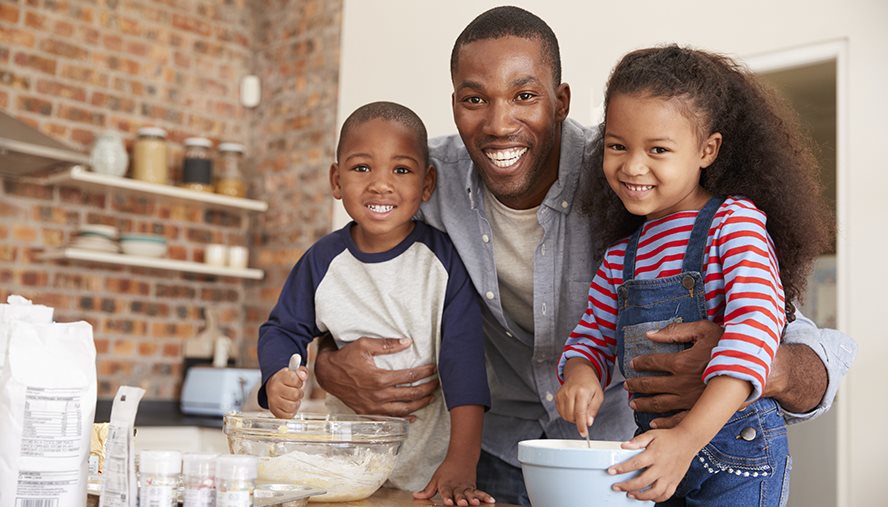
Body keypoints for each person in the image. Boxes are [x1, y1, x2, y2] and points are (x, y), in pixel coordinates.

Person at [313, 7, 858, 505]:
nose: (499, 123)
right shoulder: (422, 178)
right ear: (454, 101)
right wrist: (324, 363)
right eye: (475, 98)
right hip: (502, 449)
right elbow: (344, 274)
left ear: (562, 100)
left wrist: (756, 370)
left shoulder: (635, 185)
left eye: (525, 95)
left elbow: (788, 333)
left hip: (631, 453)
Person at [556, 45, 833, 505]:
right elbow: (592, 337)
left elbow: (754, 333)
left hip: (736, 456)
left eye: (658, 149)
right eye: (617, 146)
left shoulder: (734, 223)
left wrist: (687, 439)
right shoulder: (620, 257)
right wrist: (582, 374)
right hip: (657, 453)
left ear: (707, 150)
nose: (632, 166)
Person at [257, 101, 495, 506]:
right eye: (361, 167)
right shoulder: (322, 261)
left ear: (426, 184)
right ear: (336, 180)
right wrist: (276, 375)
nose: (380, 184)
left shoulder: (442, 262)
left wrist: (461, 460)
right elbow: (283, 329)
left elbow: (465, 362)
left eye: (400, 170)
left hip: (431, 473)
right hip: (348, 470)